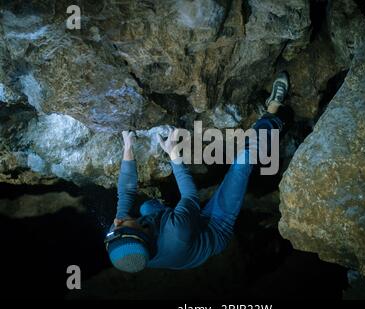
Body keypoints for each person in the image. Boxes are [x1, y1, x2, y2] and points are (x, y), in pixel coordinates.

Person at [105, 72, 292, 272]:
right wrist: (173, 154)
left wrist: (128, 148)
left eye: (115, 228)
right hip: (213, 227)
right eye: (121, 226)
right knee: (242, 165)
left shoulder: (119, 234)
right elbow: (190, 195)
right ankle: (273, 113)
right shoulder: (175, 233)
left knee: (146, 207)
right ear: (140, 235)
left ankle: (178, 212)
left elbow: (125, 192)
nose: (116, 221)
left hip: (176, 228)